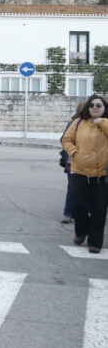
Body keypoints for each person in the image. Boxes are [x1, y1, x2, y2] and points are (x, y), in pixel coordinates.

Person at [61, 94, 108, 254]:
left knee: (99, 209)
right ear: (88, 108)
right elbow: (66, 140)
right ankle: (82, 231)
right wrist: (74, 152)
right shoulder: (78, 122)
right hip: (79, 170)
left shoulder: (106, 124)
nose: (95, 107)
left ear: (104, 108)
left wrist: (102, 122)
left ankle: (95, 242)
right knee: (77, 205)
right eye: (92, 105)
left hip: (102, 174)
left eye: (99, 105)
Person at [58, 102, 86, 224]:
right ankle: (68, 213)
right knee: (73, 188)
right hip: (73, 161)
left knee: (77, 189)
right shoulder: (74, 123)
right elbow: (64, 139)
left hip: (87, 162)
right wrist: (74, 151)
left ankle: (71, 213)